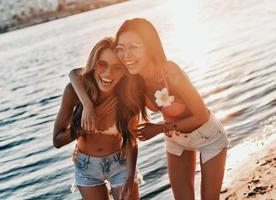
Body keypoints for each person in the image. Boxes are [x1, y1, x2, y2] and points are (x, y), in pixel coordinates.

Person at [69, 18, 229, 200]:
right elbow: (76, 74)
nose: (126, 55)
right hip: (177, 141)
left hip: (208, 137)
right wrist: (88, 105)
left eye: (134, 46)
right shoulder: (131, 78)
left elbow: (201, 116)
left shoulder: (170, 72)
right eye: (121, 48)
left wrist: (159, 128)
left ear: (149, 46)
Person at [53, 37, 147, 200]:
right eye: (102, 64)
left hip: (121, 163)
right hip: (86, 167)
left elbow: (130, 140)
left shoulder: (127, 95)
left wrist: (131, 176)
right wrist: (92, 112)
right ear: (93, 64)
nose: (108, 73)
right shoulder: (75, 91)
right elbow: (57, 141)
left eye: (117, 67)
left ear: (124, 70)